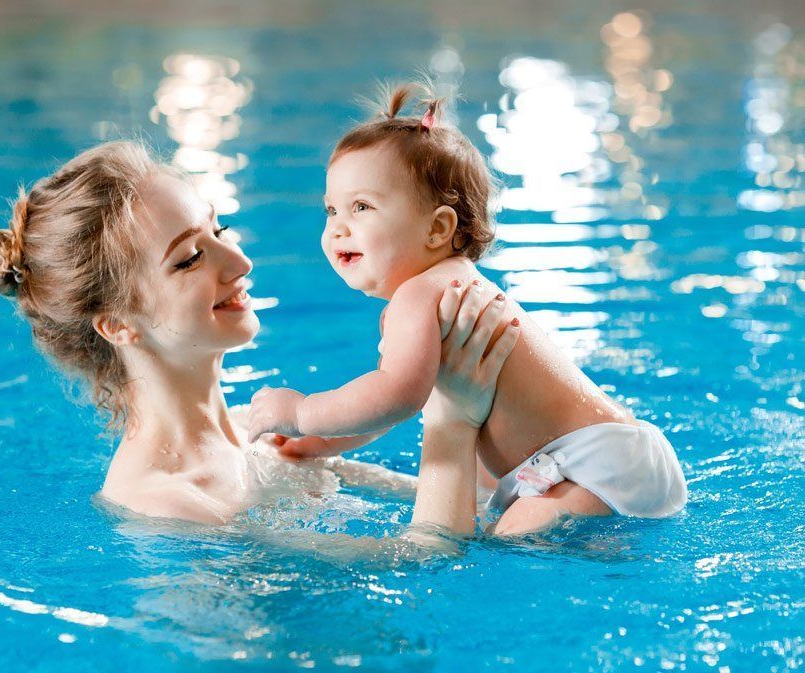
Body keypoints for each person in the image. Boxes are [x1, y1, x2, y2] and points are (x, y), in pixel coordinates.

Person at [0, 140, 516, 536]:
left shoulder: (262, 435)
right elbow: (428, 562)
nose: (241, 261)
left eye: (219, 229)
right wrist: (452, 417)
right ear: (117, 323)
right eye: (189, 259)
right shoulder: (170, 504)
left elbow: (480, 506)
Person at [247, 84, 688, 535]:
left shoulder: (420, 297)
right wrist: (319, 444)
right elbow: (388, 405)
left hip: (589, 464)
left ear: (438, 227)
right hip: (616, 453)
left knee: (514, 538)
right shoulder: (450, 285)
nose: (338, 228)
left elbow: (396, 396)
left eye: (361, 207)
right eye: (331, 210)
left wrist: (301, 413)